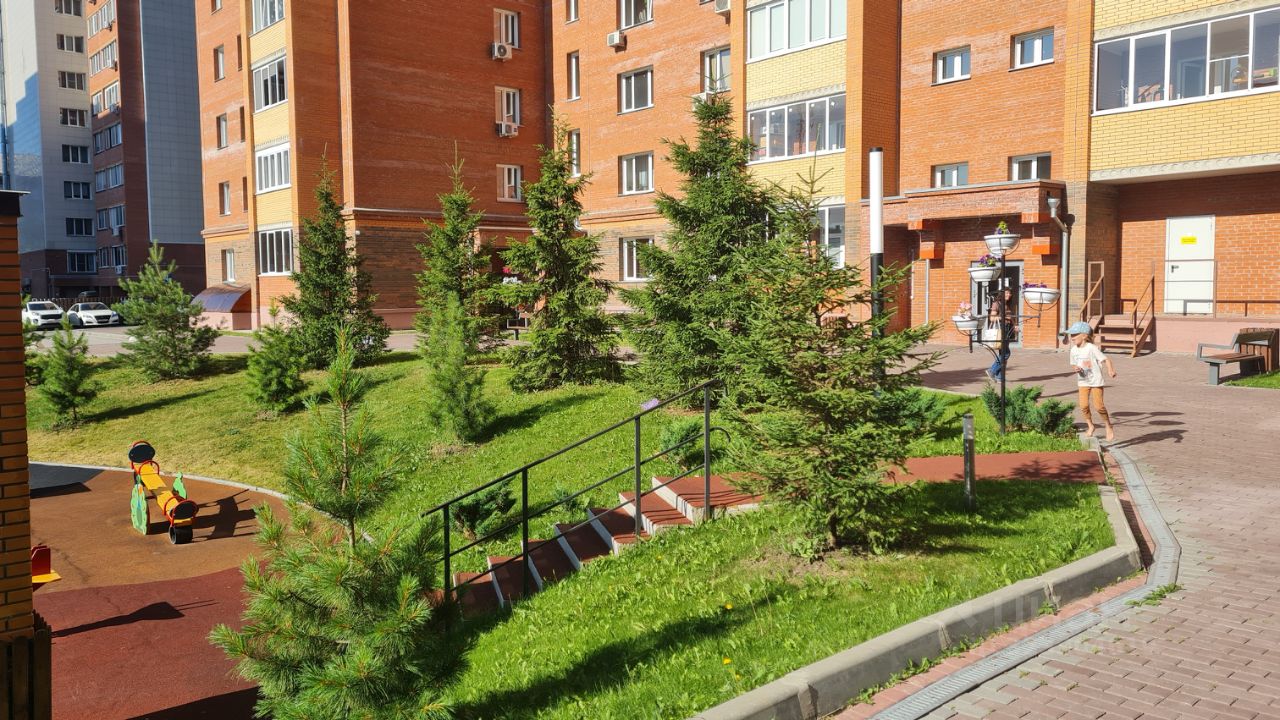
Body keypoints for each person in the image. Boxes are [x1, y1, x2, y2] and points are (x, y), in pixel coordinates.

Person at [1065, 320, 1116, 441]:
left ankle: (1108, 426)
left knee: (1099, 406)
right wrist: (1075, 368)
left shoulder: (1091, 348)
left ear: (1084, 336)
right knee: (1083, 406)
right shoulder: (1073, 350)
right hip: (1083, 381)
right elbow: (1073, 363)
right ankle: (1090, 425)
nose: (1072, 337)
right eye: (1071, 335)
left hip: (1096, 381)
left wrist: (1110, 370)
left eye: (1074, 335)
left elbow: (1106, 360)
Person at [985, 288, 1015, 382]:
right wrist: (1003, 317)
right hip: (1001, 330)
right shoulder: (997, 304)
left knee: (1003, 354)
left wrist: (1014, 325)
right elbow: (992, 318)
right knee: (1006, 353)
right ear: (1001, 294)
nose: (1009, 295)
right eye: (1007, 293)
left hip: (1007, 329)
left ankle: (1000, 377)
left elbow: (1010, 318)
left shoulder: (1006, 305)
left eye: (1010, 293)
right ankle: (992, 370)